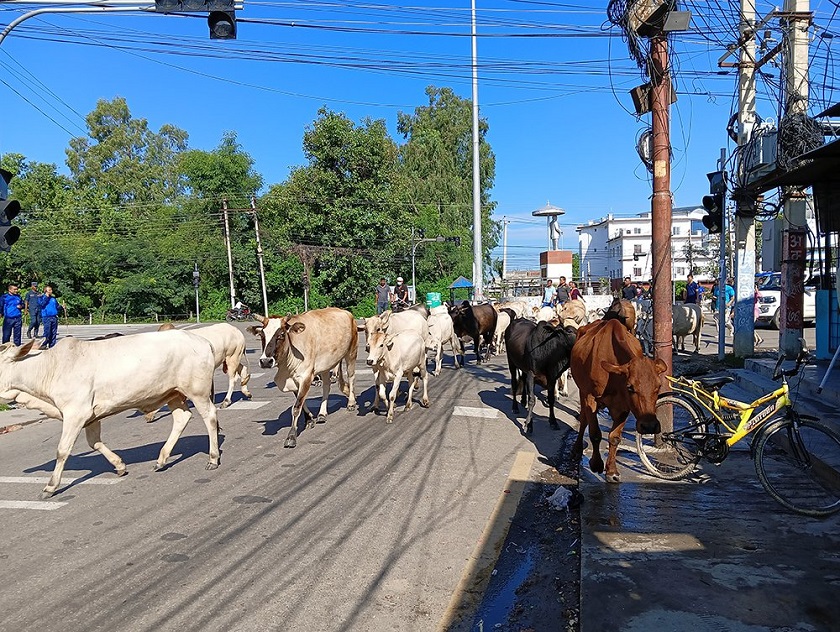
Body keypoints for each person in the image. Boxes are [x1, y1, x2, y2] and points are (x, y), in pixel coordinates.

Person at [38, 284, 61, 349]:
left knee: (54, 333)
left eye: (51, 290)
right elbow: (42, 304)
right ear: (46, 291)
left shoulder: (53, 298)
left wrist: (61, 307)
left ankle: (52, 346)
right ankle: (44, 345)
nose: (51, 291)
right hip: (46, 317)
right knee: (47, 333)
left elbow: (57, 306)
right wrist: (46, 297)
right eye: (49, 290)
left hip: (54, 317)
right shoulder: (41, 298)